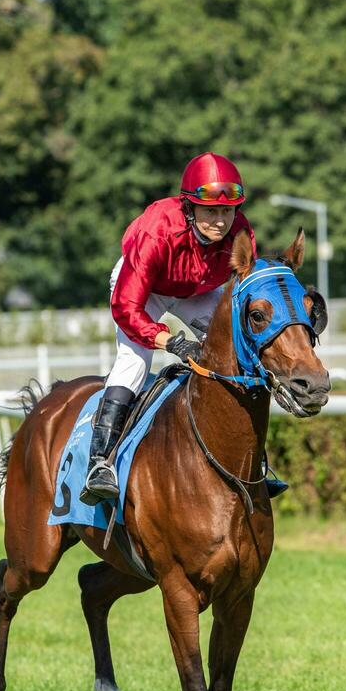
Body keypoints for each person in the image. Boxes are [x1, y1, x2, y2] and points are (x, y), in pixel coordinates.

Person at [80, 152, 256, 504]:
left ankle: (252, 459)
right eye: (211, 211)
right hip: (144, 290)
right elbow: (126, 307)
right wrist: (171, 342)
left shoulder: (242, 233)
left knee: (237, 347)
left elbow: (245, 291)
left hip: (195, 291)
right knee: (135, 361)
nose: (221, 221)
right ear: (189, 208)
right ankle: (101, 463)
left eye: (227, 211)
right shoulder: (156, 232)